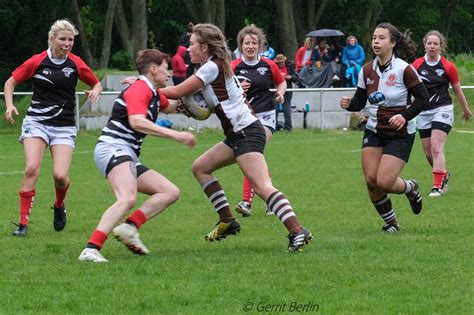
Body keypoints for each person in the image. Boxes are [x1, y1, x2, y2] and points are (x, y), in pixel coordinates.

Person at [160, 23, 312, 252]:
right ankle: (227, 221)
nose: (187, 48)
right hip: (238, 133)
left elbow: (178, 92)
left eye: (191, 44)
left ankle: (298, 231)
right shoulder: (208, 69)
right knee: (200, 167)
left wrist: (145, 87)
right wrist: (156, 104)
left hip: (246, 132)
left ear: (204, 46)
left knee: (262, 186)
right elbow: (183, 104)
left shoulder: (211, 67)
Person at [78, 49, 196, 262]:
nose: (168, 73)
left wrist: (207, 98)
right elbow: (137, 122)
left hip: (128, 153)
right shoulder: (139, 89)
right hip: (113, 147)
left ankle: (128, 228)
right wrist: (176, 135)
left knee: (169, 191)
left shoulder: (151, 91)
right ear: (153, 69)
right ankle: (90, 249)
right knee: (127, 197)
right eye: (165, 68)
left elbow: (171, 106)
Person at [4, 19, 103, 237]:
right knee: (31, 168)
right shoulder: (37, 61)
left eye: (70, 39)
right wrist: (10, 105)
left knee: (59, 175)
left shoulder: (76, 63)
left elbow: (96, 83)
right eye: (63, 39)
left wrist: (95, 90)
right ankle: (23, 224)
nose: (67, 43)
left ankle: (59, 205)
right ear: (52, 39)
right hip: (36, 122)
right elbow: (10, 82)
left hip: (64, 126)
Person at [340, 22, 429, 233]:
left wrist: (405, 116)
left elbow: (422, 99)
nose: (376, 42)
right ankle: (392, 223)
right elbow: (360, 101)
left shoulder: (404, 69)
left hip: (400, 134)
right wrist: (349, 104)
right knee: (371, 181)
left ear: (393, 42)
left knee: (386, 181)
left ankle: (411, 188)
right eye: (374, 38)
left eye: (381, 38)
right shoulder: (367, 70)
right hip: (374, 130)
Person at [231, 25, 287, 217]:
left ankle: (246, 202)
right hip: (245, 119)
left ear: (260, 45)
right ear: (241, 45)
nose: (251, 46)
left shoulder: (268, 65)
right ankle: (272, 199)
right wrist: (238, 89)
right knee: (255, 159)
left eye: (254, 43)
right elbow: (223, 89)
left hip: (266, 117)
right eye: (247, 43)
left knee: (251, 154)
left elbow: (281, 82)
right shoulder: (234, 67)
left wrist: (280, 93)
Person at [412, 30, 472, 196]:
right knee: (428, 154)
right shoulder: (415, 66)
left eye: (435, 44)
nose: (432, 46)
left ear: (441, 47)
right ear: (425, 45)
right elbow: (408, 89)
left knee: (436, 147)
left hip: (442, 109)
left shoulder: (448, 67)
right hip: (423, 112)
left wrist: (466, 110)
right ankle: (443, 175)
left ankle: (437, 187)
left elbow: (458, 91)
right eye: (429, 43)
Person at [275, 53, 298, 132]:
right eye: (279, 62)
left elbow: (296, 78)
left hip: (287, 90)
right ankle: (273, 127)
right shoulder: (274, 68)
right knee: (275, 109)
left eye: (282, 62)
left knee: (286, 109)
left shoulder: (289, 67)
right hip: (276, 90)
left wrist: (290, 77)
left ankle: (288, 128)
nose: (281, 63)